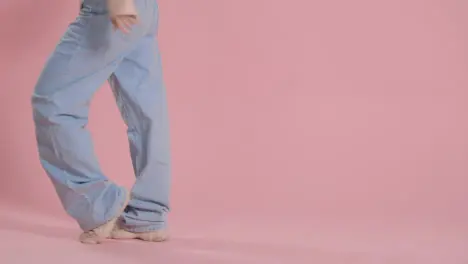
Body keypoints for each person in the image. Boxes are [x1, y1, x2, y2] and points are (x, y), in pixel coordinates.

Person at [31, 0, 170, 244]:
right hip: (145, 8)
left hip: (111, 6)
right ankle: (147, 214)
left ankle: (99, 204)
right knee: (146, 113)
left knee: (52, 101)